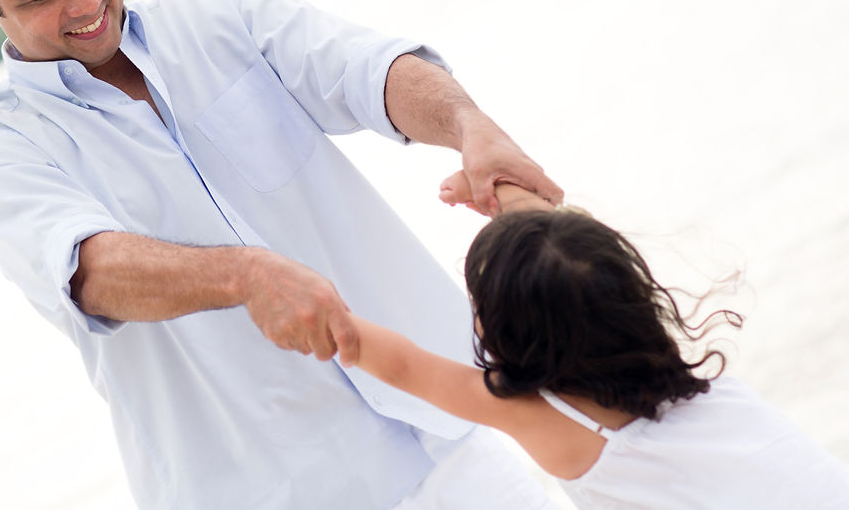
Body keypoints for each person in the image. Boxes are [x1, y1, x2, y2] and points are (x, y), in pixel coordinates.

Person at [0, 0, 565, 509]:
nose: (86, 1)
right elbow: (89, 271)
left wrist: (469, 126)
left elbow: (362, 70)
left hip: (450, 430)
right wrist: (246, 274)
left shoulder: (219, 14)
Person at [344, 177, 849, 509]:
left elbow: (407, 368)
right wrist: (502, 186)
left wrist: (318, 308)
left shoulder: (557, 424)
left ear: (509, 336)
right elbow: (570, 243)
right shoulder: (679, 378)